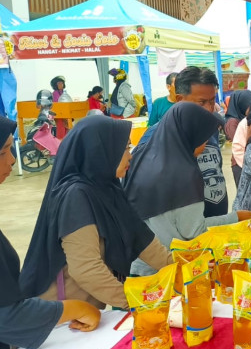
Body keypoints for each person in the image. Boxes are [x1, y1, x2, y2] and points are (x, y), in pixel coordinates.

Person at [19, 116, 170, 309]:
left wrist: (179, 269)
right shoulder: (76, 196)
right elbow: (85, 268)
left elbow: (140, 238)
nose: (130, 156)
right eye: (124, 148)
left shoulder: (107, 187)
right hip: (65, 318)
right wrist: (137, 301)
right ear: (100, 151)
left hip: (87, 312)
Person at [0, 117, 101, 349]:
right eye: (4, 152)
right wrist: (74, 308)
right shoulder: (77, 195)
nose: (13, 160)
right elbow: (6, 316)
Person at [125, 103, 251, 276]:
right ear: (189, 134)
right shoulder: (183, 172)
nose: (206, 144)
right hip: (169, 268)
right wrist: (236, 217)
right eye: (203, 138)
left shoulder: (140, 156)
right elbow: (193, 230)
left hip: (138, 263)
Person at [136, 66, 229, 217]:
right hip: (181, 230)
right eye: (201, 102)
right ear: (179, 99)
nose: (209, 109)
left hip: (216, 222)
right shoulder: (155, 135)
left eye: (212, 101)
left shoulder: (211, 127)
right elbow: (145, 188)